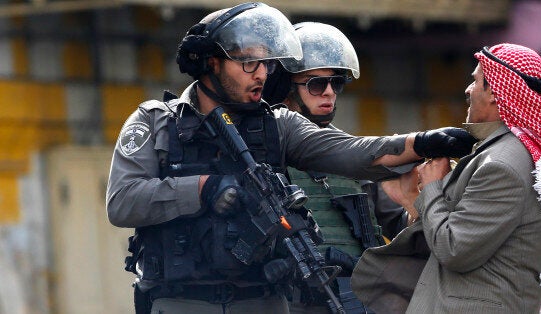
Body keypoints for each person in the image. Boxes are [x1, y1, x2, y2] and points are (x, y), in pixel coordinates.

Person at [106, 2, 476, 313]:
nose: (262, 75)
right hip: (182, 300)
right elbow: (122, 202)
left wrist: (423, 142)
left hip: (265, 299)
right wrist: (205, 188)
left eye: (267, 65)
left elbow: (349, 153)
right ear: (212, 64)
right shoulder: (156, 122)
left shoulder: (277, 124)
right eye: (249, 63)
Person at [352, 43, 541, 313]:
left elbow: (454, 249)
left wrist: (432, 187)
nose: (468, 90)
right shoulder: (508, 155)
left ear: (496, 94)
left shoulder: (502, 166)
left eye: (475, 81)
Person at [264, 22, 421, 313]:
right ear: (286, 86)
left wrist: (415, 204)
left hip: (352, 298)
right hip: (288, 299)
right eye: (315, 84)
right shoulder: (262, 151)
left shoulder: (354, 155)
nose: (329, 93)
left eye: (335, 82)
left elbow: (401, 229)